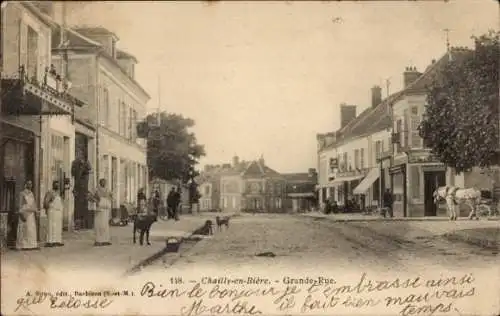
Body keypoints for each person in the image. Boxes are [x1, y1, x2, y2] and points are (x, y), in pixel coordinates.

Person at [16, 180, 39, 250]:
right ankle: (23, 245)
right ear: (25, 185)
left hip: (31, 214)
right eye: (29, 184)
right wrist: (22, 214)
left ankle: (32, 245)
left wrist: (36, 211)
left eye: (31, 184)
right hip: (25, 213)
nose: (30, 185)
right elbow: (20, 205)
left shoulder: (32, 193)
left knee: (31, 229)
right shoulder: (22, 193)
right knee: (25, 229)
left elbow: (33, 203)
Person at [91, 178, 113, 246]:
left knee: (105, 226)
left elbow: (111, 198)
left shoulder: (108, 190)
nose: (104, 183)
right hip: (100, 210)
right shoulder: (97, 190)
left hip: (106, 210)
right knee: (99, 225)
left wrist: (110, 198)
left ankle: (105, 240)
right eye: (102, 182)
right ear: (100, 183)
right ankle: (98, 241)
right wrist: (96, 201)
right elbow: (92, 198)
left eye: (104, 182)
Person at [43, 181, 64, 247]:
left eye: (57, 185)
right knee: (51, 226)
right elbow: (46, 202)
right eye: (55, 185)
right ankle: (50, 241)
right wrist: (47, 210)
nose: (57, 186)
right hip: (52, 211)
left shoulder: (58, 193)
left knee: (58, 227)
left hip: (58, 212)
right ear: (53, 185)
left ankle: (57, 241)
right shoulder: (50, 192)